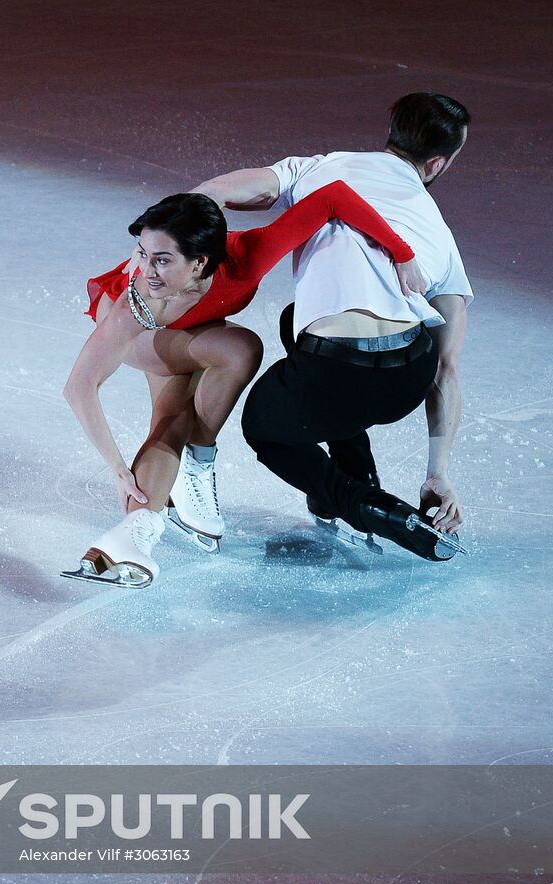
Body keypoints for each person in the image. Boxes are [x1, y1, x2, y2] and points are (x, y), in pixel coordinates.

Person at [62, 185, 423, 587]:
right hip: (148, 337)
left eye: (162, 259)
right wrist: (116, 469)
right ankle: (196, 462)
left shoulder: (249, 254)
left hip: (196, 324)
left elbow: (332, 197)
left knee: (172, 424)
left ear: (200, 263)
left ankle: (128, 539)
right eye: (143, 253)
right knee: (239, 348)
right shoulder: (140, 300)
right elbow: (79, 387)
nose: (147, 269)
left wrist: (403, 253)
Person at [194, 93, 471, 561]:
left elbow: (222, 189)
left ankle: (366, 505)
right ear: (438, 163)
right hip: (406, 376)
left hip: (334, 371)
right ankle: (355, 474)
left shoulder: (319, 168)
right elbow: (445, 369)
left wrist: (193, 216)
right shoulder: (439, 231)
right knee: (292, 322)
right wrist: (437, 473)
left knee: (265, 426)